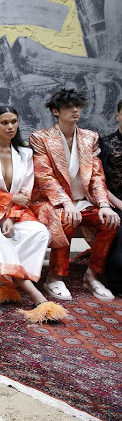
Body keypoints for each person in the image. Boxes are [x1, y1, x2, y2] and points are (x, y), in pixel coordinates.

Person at [0, 106, 67, 323]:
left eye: (14, 122)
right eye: (4, 122)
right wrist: (9, 201)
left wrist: (11, 217)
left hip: (15, 213)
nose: (10, 126)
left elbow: (25, 192)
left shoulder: (25, 153)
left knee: (40, 232)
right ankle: (31, 291)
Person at [29, 89, 120, 301]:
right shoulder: (40, 138)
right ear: (55, 111)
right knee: (66, 219)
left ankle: (92, 276)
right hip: (50, 202)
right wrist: (65, 203)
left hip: (84, 201)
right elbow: (45, 177)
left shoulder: (90, 138)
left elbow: (97, 176)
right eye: (70, 107)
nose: (75, 110)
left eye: (78, 106)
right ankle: (54, 277)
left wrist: (105, 205)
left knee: (110, 221)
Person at [100, 99, 122, 297]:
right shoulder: (106, 144)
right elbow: (99, 183)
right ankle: (117, 281)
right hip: (113, 197)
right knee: (118, 225)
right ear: (117, 116)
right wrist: (118, 203)